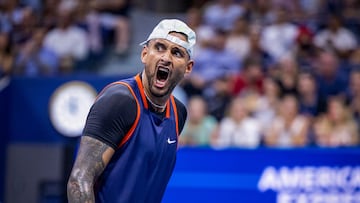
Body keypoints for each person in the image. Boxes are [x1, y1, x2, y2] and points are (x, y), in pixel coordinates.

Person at [67, 19, 196, 202]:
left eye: (176, 53)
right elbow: (79, 181)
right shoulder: (119, 100)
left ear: (188, 67)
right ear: (144, 54)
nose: (166, 58)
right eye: (159, 47)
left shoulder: (179, 113)